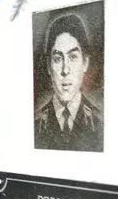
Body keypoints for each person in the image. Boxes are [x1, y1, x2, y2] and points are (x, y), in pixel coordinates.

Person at [34, 12, 103, 152]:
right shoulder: (34, 125)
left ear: (85, 62)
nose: (65, 70)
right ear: (48, 66)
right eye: (58, 59)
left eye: (73, 57)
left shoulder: (100, 123)